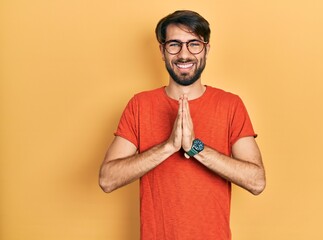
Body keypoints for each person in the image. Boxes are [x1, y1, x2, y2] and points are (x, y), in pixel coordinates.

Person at [99, 10, 266, 240]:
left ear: (206, 49)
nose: (184, 54)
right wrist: (168, 147)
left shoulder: (230, 105)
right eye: (174, 44)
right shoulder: (140, 104)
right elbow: (107, 179)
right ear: (162, 50)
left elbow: (257, 182)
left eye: (194, 44)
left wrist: (195, 147)